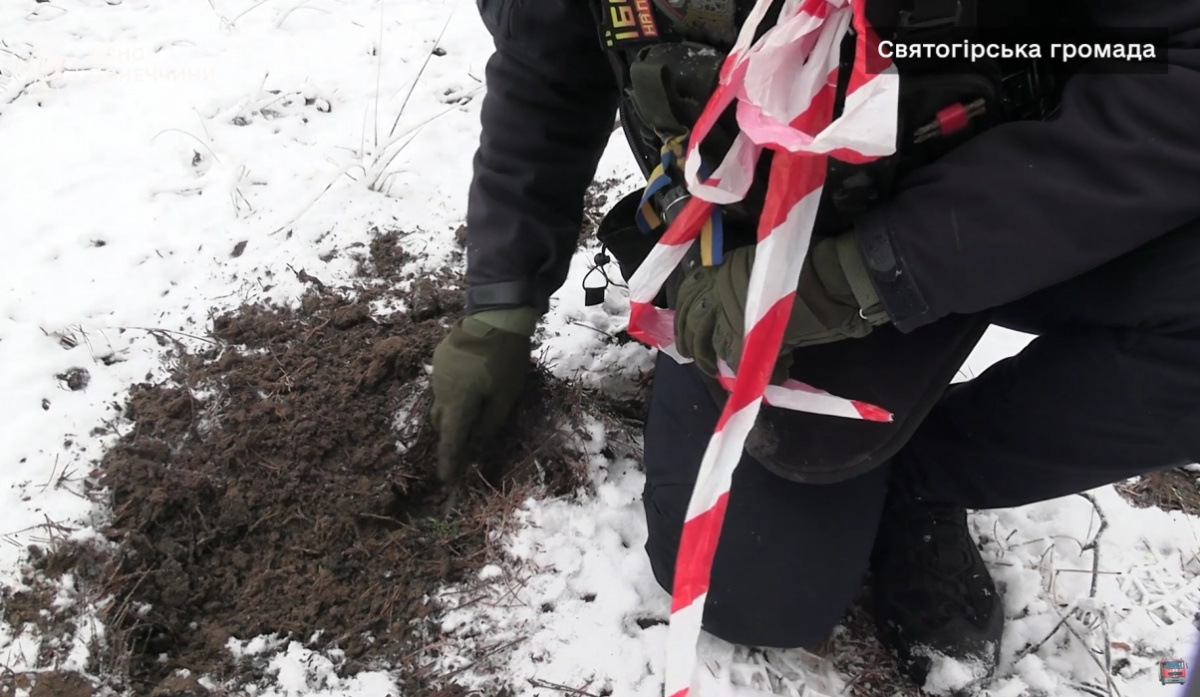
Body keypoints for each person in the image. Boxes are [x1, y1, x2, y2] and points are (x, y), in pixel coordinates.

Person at [429, 0, 1200, 690]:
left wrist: (866, 271)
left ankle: (930, 477)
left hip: (1022, 190)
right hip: (763, 245)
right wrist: (501, 302)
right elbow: (544, 66)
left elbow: (1182, 67)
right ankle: (870, 449)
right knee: (757, 589)